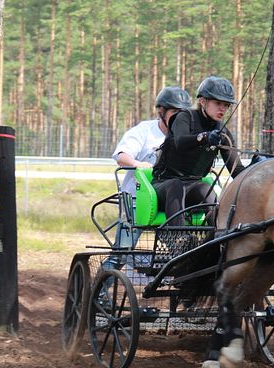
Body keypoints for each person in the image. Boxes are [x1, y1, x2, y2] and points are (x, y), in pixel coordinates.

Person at [101, 86, 193, 272]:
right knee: (123, 252)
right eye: (174, 112)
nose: (178, 118)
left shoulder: (186, 136)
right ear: (162, 111)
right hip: (138, 200)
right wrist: (137, 164)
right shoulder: (145, 131)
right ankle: (100, 289)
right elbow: (121, 155)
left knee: (180, 251)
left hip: (170, 201)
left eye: (183, 113)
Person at [152, 76, 244, 226]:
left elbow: (236, 170)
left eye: (226, 105)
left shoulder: (222, 132)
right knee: (175, 185)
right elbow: (180, 142)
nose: (223, 108)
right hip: (164, 185)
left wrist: (257, 169)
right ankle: (177, 239)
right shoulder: (184, 117)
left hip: (192, 185)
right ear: (203, 101)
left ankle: (216, 238)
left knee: (206, 190)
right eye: (218, 103)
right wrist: (205, 137)